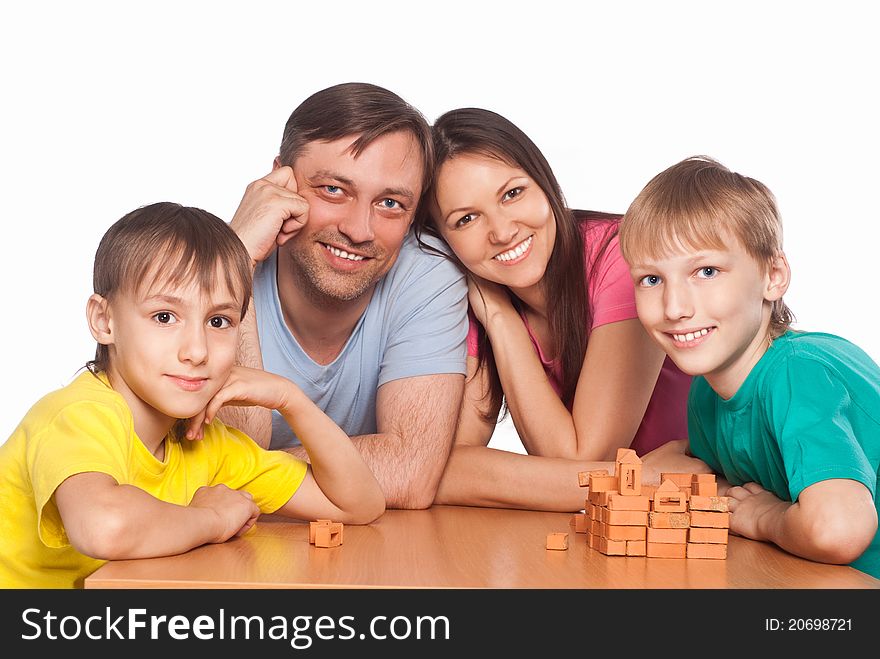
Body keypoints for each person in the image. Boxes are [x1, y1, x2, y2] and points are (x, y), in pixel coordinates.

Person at [0, 203, 385, 588]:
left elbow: (357, 504)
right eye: (164, 317)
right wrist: (212, 519)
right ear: (105, 321)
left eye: (218, 321)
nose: (197, 351)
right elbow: (104, 527)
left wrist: (291, 399)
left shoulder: (208, 444)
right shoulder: (78, 416)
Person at [415, 108, 710, 511]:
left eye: (512, 194)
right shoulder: (475, 295)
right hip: (606, 528)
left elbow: (579, 459)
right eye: (466, 219)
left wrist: (502, 321)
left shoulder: (625, 258)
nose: (502, 232)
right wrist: (638, 479)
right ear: (443, 239)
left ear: (544, 180)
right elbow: (438, 469)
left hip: (702, 513)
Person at [618, 155, 880, 578]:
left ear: (773, 275)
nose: (675, 307)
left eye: (706, 271)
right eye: (651, 279)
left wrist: (764, 519)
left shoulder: (799, 374)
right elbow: (734, 491)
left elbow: (838, 529)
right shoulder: (706, 391)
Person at [218, 83, 468, 510]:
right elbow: (239, 436)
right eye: (334, 190)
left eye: (390, 203)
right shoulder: (205, 270)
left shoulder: (427, 274)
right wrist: (234, 259)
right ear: (278, 180)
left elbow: (409, 473)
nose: (359, 230)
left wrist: (243, 473)